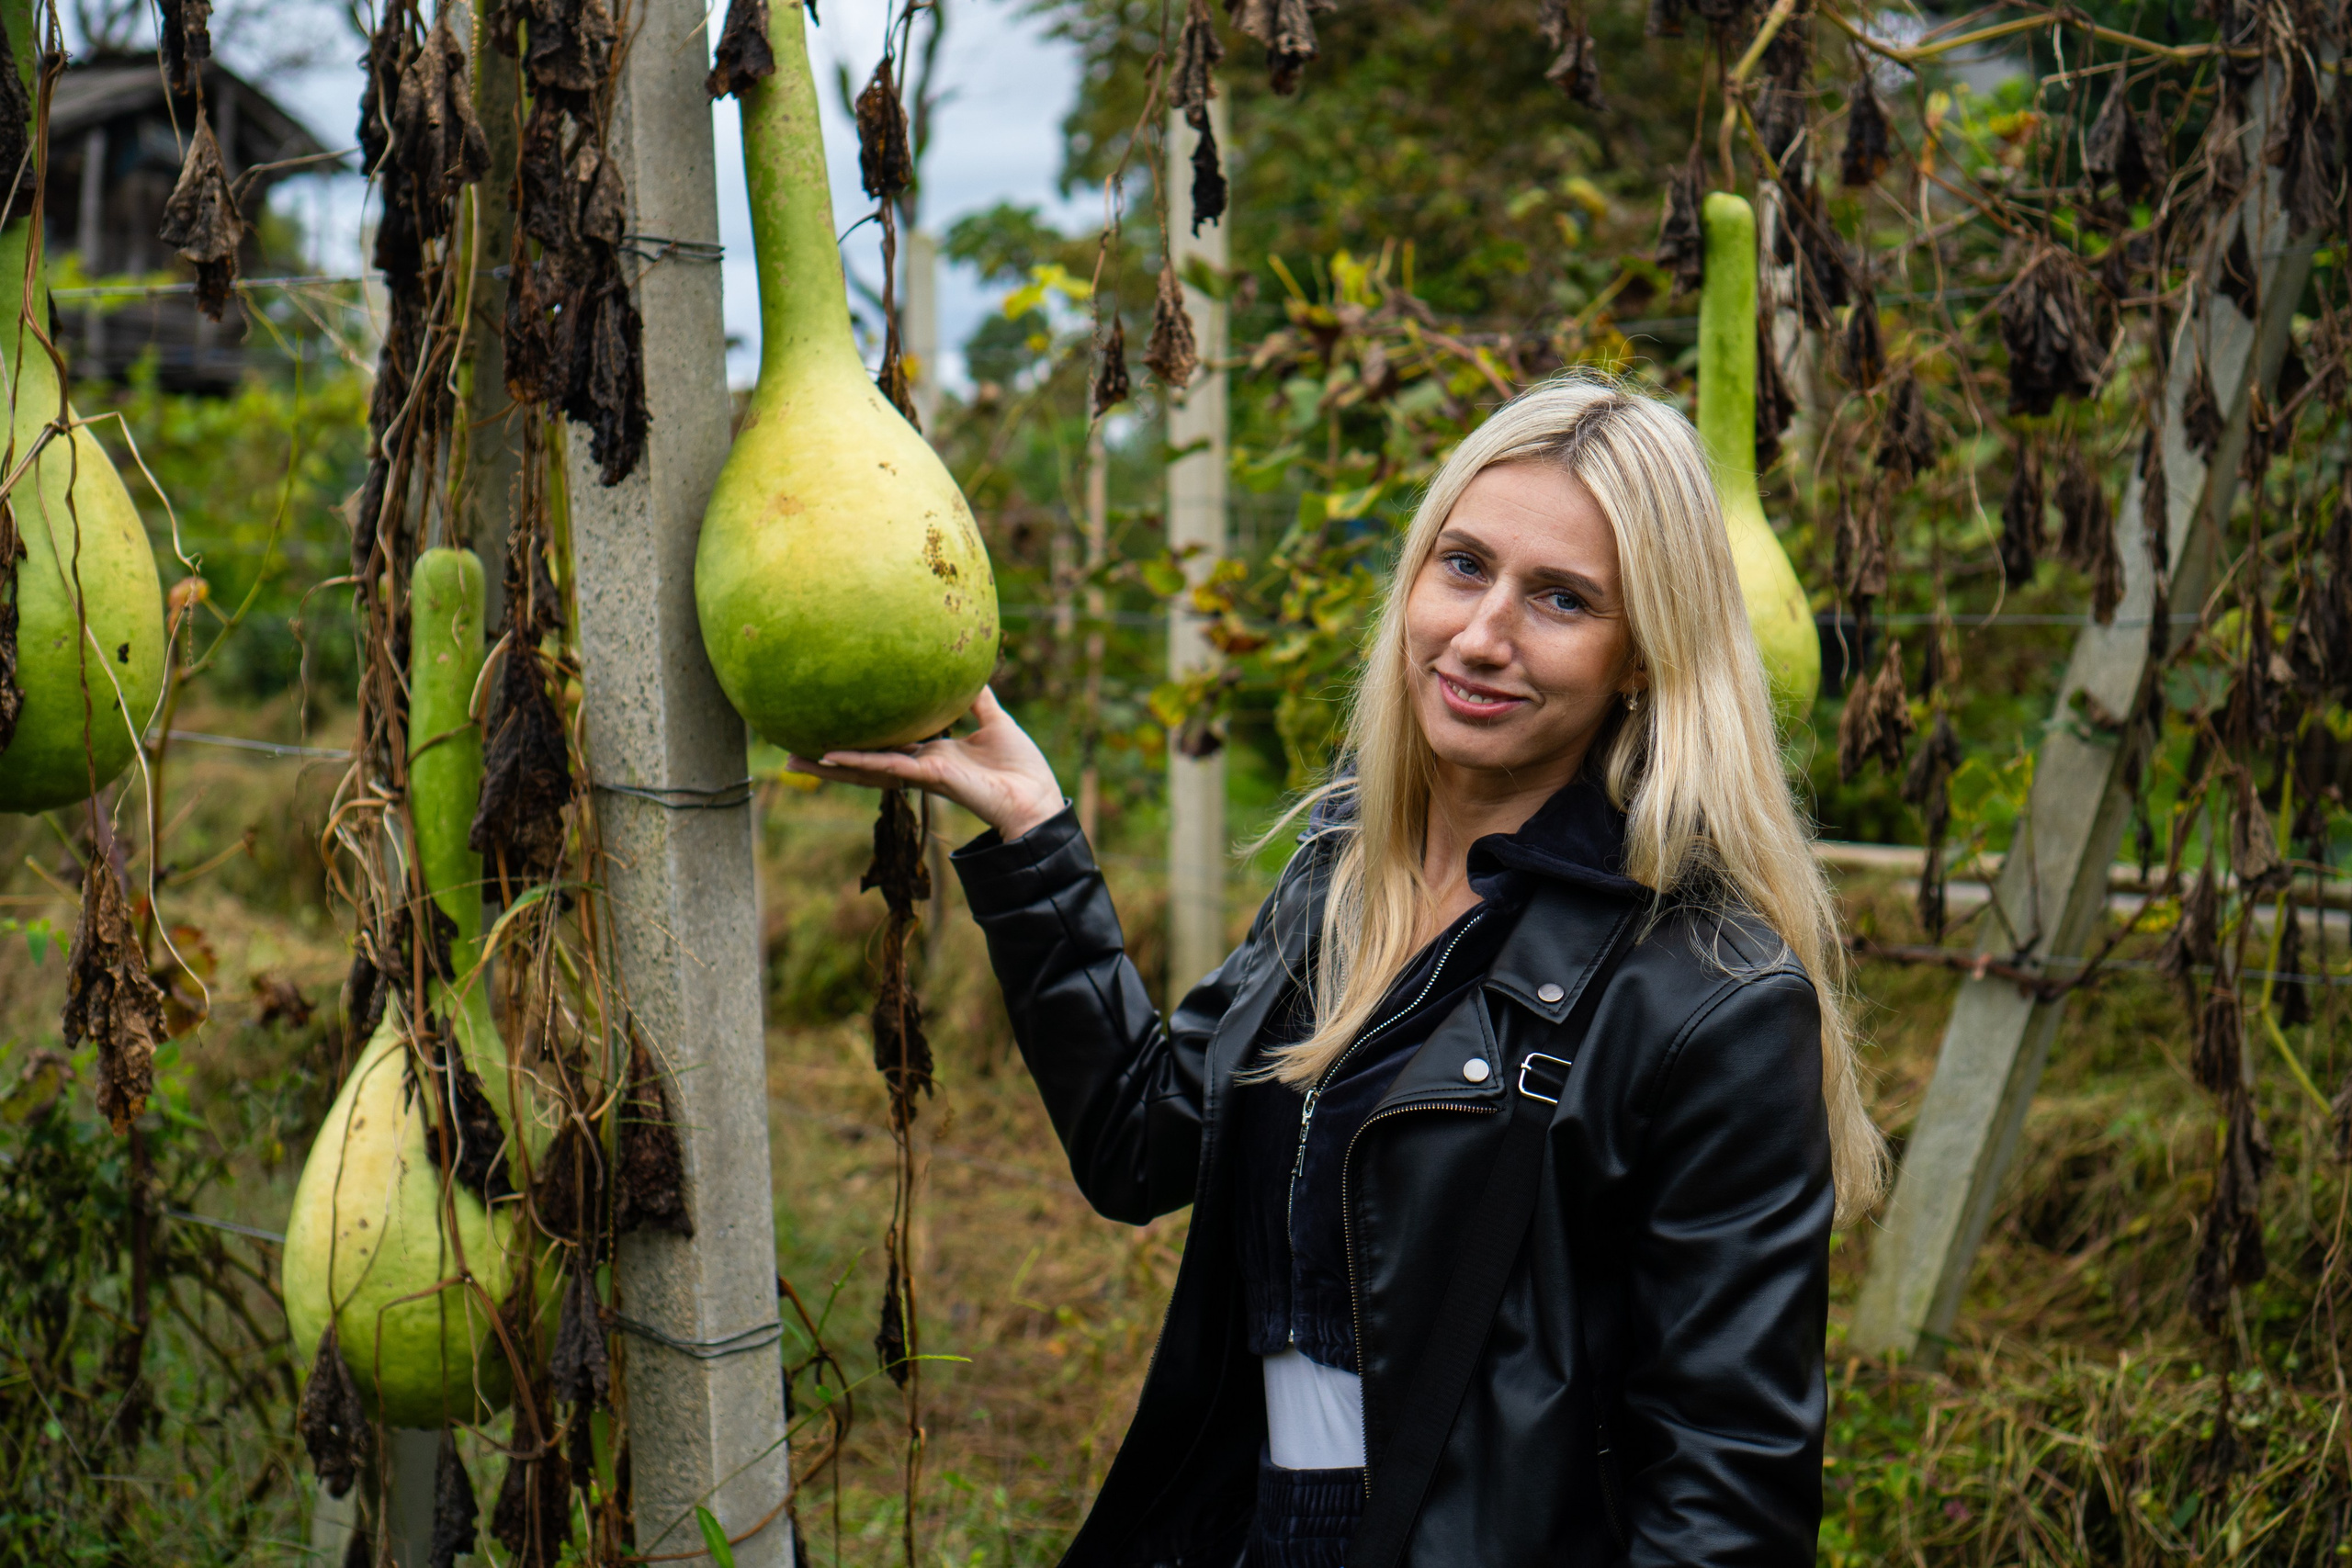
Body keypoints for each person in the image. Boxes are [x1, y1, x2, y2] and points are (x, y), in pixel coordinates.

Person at [791, 373, 1885, 1568]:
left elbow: (1730, 1494)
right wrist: (1035, 834)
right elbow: (1140, 1142)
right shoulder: (1343, 875)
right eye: (1463, 566)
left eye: (1561, 599)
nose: (1482, 635)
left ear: (1643, 657)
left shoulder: (1709, 997)